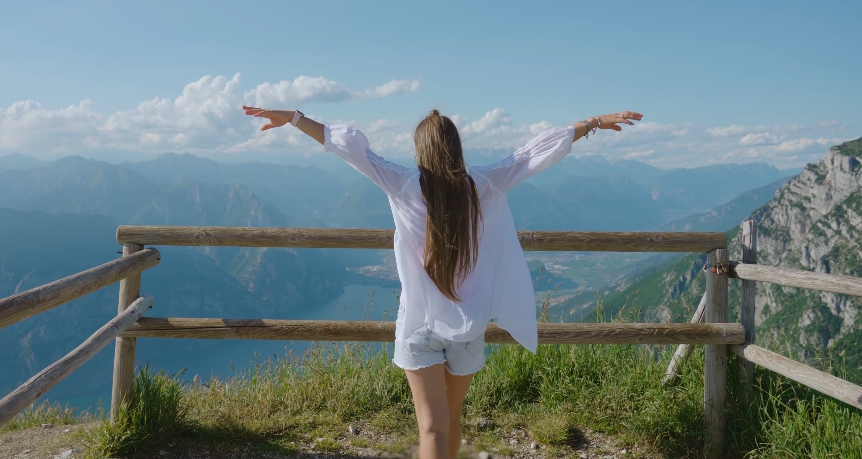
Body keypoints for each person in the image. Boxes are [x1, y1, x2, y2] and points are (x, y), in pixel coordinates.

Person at [242, 105, 643, 459]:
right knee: (450, 423)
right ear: (457, 148)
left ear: (421, 151)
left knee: (431, 428)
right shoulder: (484, 184)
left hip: (418, 324)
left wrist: (295, 118)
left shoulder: (401, 183)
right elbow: (533, 154)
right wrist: (592, 122)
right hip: (469, 327)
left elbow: (349, 148)